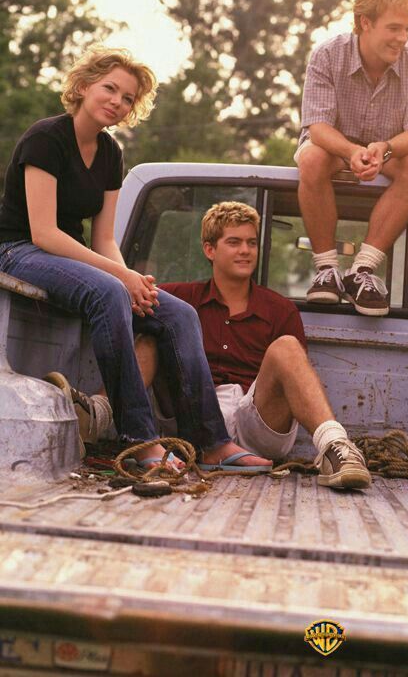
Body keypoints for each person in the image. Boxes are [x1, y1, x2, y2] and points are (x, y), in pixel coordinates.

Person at [0, 46, 270, 474]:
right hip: (19, 251)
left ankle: (212, 442)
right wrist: (120, 277)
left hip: (72, 257)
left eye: (127, 98)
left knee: (178, 313)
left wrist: (133, 281)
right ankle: (140, 441)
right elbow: (44, 232)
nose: (117, 101)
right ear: (84, 86)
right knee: (109, 291)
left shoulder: (110, 153)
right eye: (110, 88)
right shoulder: (45, 138)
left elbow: (105, 237)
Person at [156, 201, 372, 491]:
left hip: (256, 422)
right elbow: (126, 304)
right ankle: (101, 416)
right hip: (191, 421)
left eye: (251, 243)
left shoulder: (280, 310)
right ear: (210, 250)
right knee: (150, 331)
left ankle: (336, 447)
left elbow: (295, 383)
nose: (245, 250)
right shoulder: (180, 298)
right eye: (234, 242)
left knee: (286, 347)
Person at [297, 0, 408, 316]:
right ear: (365, 23)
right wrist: (350, 152)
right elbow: (317, 128)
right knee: (312, 158)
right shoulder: (327, 55)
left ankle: (362, 270)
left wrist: (383, 149)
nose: (403, 38)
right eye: (394, 28)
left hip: (389, 152)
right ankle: (326, 270)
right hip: (334, 148)